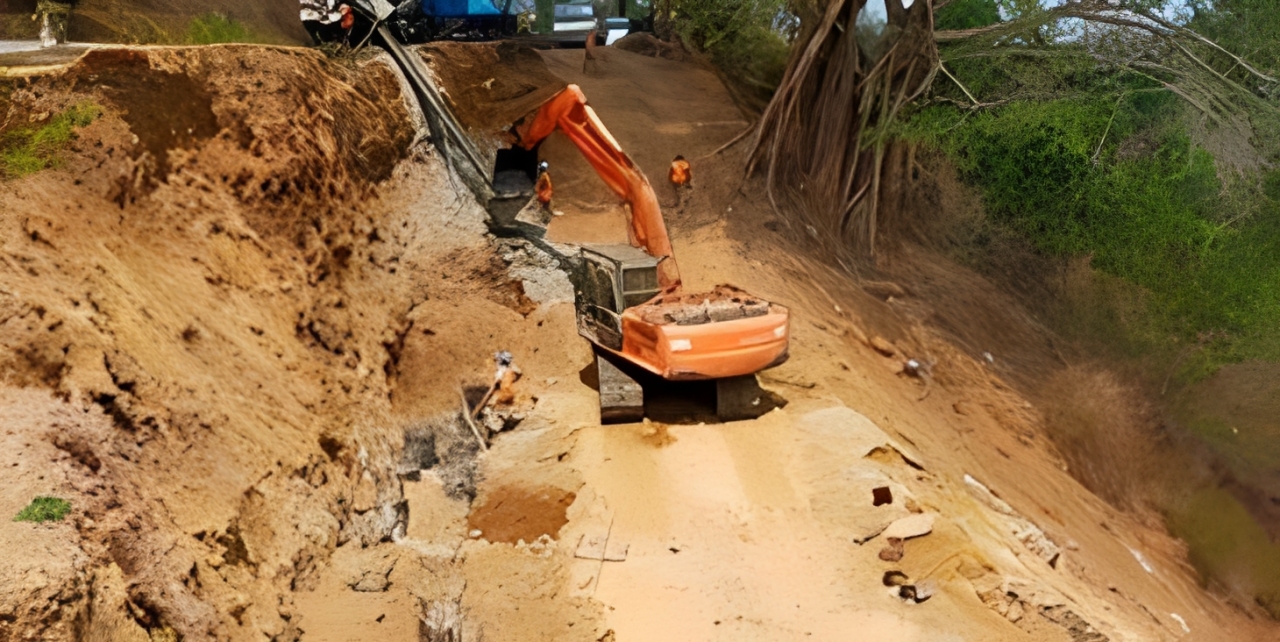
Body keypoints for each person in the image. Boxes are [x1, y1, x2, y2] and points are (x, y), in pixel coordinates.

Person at [300, 0, 366, 45]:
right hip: (311, 17)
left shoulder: (332, 16)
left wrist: (341, 11)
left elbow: (330, 13)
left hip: (311, 16)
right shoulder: (333, 16)